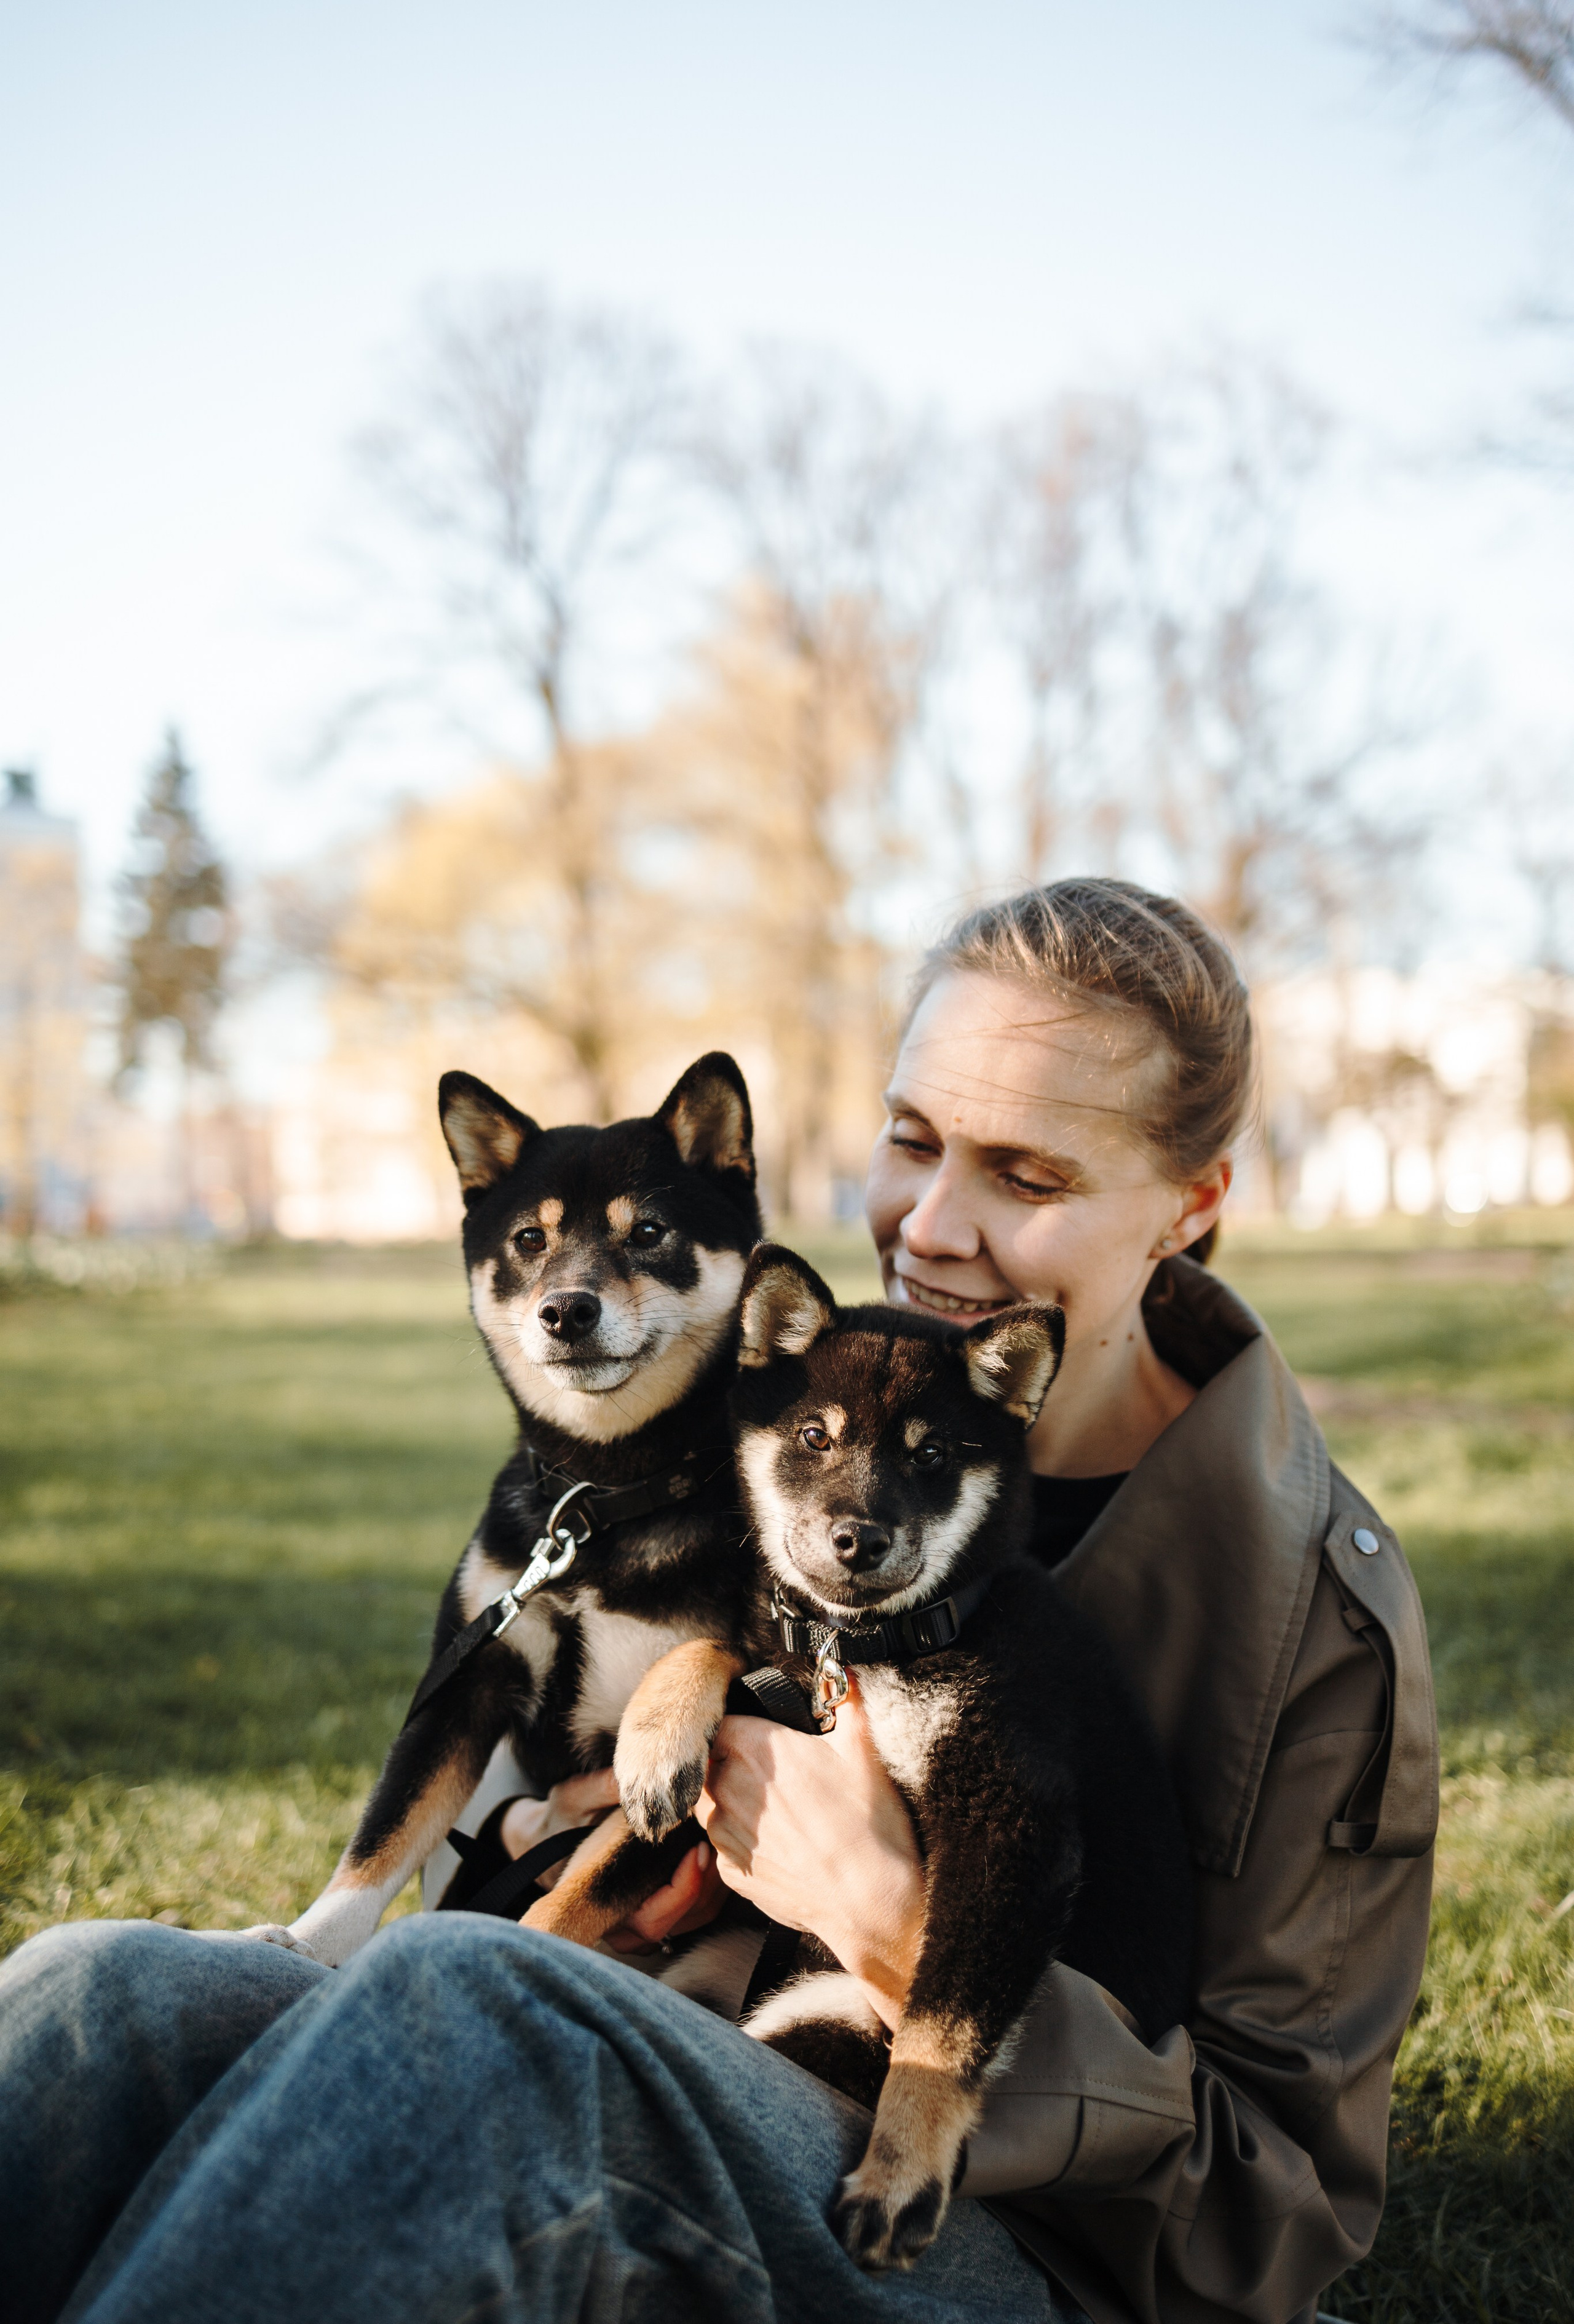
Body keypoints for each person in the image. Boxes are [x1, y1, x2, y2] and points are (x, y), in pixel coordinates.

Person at [0, 879, 1437, 2324]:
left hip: (991, 2244)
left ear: (1190, 1209)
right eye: (910, 1139)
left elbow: (1274, 2215)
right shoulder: (743, 1433)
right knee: (97, 1995)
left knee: (477, 2011)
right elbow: (555, 1798)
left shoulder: (1303, 1617)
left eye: (1028, 1178)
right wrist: (548, 1828)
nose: (929, 1226)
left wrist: (889, 1927)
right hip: (663, 2020)